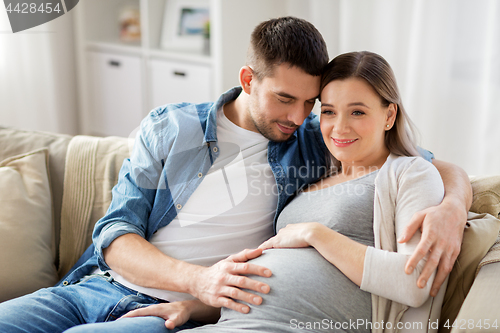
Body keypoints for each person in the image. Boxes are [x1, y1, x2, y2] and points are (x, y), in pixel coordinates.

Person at [0, 17, 470, 333]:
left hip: (168, 314)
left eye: (311, 103)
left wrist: (451, 206)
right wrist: (198, 281)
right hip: (94, 286)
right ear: (249, 80)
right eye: (285, 99)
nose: (300, 115)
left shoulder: (314, 136)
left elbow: (413, 159)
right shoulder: (173, 127)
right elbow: (116, 234)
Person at [114, 51, 458, 333]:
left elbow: (414, 285)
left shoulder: (407, 173)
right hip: (224, 320)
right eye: (327, 111)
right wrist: (193, 306)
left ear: (389, 115)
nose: (339, 127)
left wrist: (315, 233)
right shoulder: (314, 172)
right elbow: (270, 269)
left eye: (358, 111)